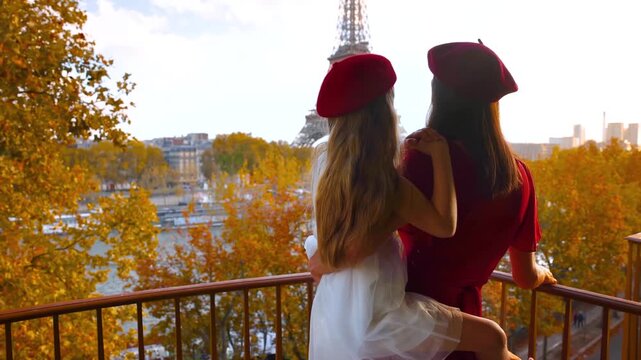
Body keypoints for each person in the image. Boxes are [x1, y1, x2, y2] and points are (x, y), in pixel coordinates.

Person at [306, 53, 519, 360]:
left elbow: (322, 263)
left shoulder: (326, 167)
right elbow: (444, 225)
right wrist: (440, 155)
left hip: (337, 316)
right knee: (493, 338)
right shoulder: (389, 188)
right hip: (378, 322)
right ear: (384, 114)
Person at [397, 41, 557, 360]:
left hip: (411, 325)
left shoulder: (418, 161)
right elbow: (524, 277)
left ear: (438, 97)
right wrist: (543, 274)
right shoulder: (518, 177)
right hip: (468, 330)